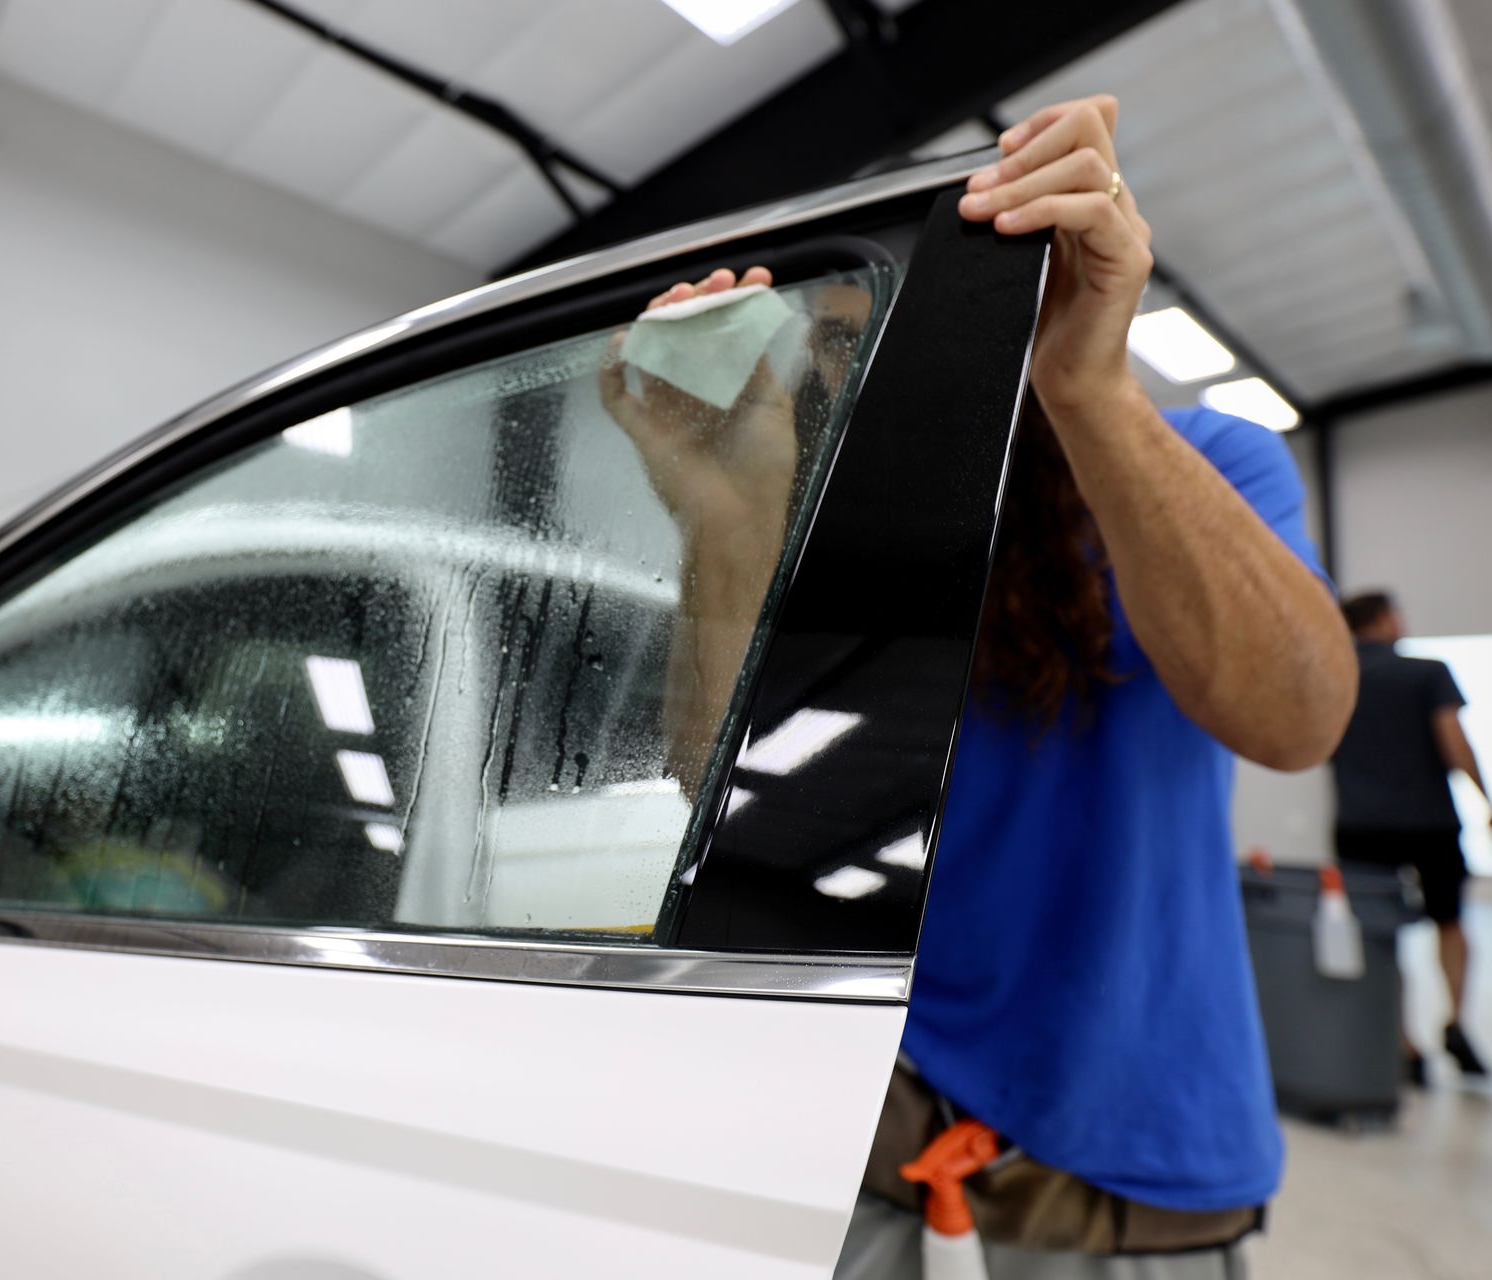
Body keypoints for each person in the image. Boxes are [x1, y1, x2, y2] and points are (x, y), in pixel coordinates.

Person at [604, 94, 1358, 1277]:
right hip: (866, 1144)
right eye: (849, 344)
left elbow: (1298, 717)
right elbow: (707, 804)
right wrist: (731, 522)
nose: (896, 372)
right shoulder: (832, 533)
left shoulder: (1210, 460)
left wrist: (1088, 382)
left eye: (943, 320)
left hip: (1124, 1168)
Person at [1331, 590, 1488, 1082]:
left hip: (1360, 825)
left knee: (1381, 935)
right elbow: (1453, 741)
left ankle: (1402, 1043)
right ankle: (1455, 1021)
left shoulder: (1337, 678)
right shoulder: (1426, 672)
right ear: (1383, 620)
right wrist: (1485, 798)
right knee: (1450, 921)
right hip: (1429, 822)